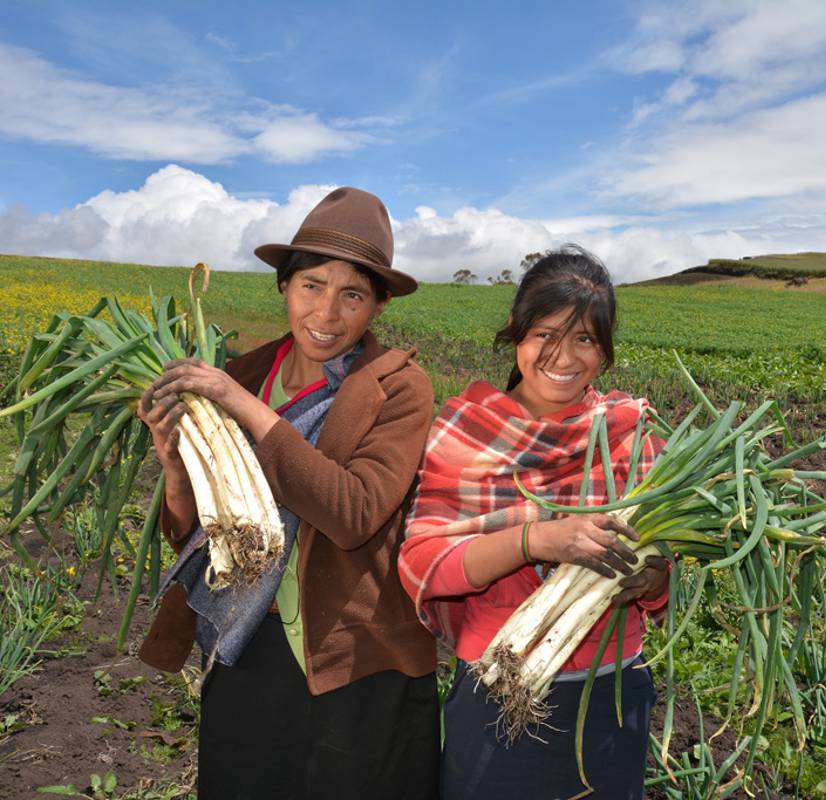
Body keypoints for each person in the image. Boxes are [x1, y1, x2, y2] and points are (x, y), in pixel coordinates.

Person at [137, 187, 439, 799]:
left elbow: (353, 514)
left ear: (378, 305)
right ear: (283, 286)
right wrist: (173, 467)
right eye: (311, 286)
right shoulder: (244, 373)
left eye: (352, 293)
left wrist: (244, 408)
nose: (327, 313)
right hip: (249, 639)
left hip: (356, 653)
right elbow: (192, 529)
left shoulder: (400, 388)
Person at [398, 246, 670, 800]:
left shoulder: (633, 433)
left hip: (612, 691)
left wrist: (652, 581)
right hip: (498, 687)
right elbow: (422, 562)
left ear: (606, 352)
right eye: (545, 333)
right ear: (515, 332)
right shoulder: (466, 430)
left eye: (584, 339)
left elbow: (667, 571)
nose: (562, 356)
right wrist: (535, 539)